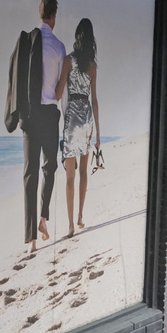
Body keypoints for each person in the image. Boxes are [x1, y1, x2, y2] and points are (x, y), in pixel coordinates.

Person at [5, 0, 67, 252]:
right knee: (49, 168)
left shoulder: (28, 42)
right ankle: (43, 217)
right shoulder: (60, 48)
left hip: (29, 116)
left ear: (40, 14)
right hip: (50, 115)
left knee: (29, 174)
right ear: (54, 17)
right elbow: (60, 92)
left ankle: (30, 240)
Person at [55, 18, 100, 238]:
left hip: (72, 118)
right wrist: (98, 134)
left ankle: (71, 224)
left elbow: (57, 92)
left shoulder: (68, 61)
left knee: (70, 176)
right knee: (83, 172)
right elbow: (95, 101)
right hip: (87, 119)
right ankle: (81, 215)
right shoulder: (92, 66)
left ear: (77, 37)